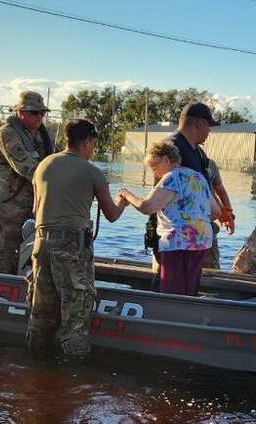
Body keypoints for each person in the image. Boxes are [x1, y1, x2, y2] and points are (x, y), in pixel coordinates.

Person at [25, 119, 126, 356]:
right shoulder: (91, 171)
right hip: (71, 247)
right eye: (93, 144)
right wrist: (123, 200)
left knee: (40, 314)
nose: (93, 150)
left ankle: (34, 370)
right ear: (87, 141)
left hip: (40, 245)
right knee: (75, 318)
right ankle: (74, 376)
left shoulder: (44, 165)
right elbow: (111, 214)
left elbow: (35, 209)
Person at [120, 140, 219, 296]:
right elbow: (216, 211)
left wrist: (126, 194)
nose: (154, 171)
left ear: (166, 160)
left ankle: (172, 314)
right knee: (189, 288)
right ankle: (188, 316)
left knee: (172, 291)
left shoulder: (172, 178)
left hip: (178, 241)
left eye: (154, 166)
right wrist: (195, 220)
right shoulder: (198, 177)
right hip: (201, 241)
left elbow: (147, 207)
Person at [144, 102, 234, 268]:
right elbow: (158, 191)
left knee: (202, 282)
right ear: (200, 124)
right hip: (177, 238)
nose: (209, 131)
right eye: (209, 126)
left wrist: (225, 214)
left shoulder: (198, 151)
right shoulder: (170, 149)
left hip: (197, 234)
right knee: (171, 283)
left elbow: (207, 189)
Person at [0, 91, 56, 274]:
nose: (40, 117)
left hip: (30, 212)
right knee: (0, 263)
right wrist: (60, 181)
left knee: (28, 263)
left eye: (42, 113)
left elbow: (56, 161)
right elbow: (27, 168)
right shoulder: (7, 134)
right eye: (34, 113)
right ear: (20, 112)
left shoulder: (45, 136)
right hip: (3, 210)